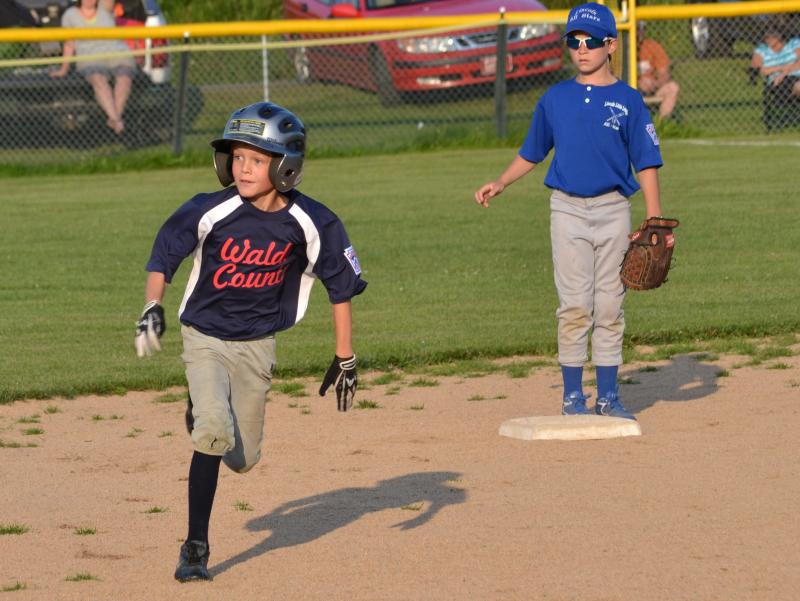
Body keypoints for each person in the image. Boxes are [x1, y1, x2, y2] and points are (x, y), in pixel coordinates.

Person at [134, 101, 367, 582]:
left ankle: (203, 409)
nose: (242, 167)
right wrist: (152, 307)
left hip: (257, 346)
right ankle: (195, 547)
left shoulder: (312, 222)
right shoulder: (210, 209)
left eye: (256, 159)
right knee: (214, 430)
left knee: (242, 458)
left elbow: (339, 287)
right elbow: (164, 257)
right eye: (237, 156)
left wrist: (345, 357)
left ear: (286, 167)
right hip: (204, 336)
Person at [474, 2, 664, 421]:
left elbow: (646, 160)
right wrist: (502, 181)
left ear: (610, 44)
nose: (582, 49)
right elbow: (533, 152)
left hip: (614, 209)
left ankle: (609, 396)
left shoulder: (629, 101)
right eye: (574, 41)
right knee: (575, 304)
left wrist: (653, 217)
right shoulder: (555, 98)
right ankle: (573, 395)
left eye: (591, 41)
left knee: (611, 305)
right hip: (567, 211)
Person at [51, 0, 136, 135]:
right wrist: (64, 69)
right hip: (90, 56)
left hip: (115, 52)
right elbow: (69, 44)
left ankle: (115, 118)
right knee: (98, 79)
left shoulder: (105, 9)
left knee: (124, 77)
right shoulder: (70, 15)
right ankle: (117, 121)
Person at [637, 20, 680, 121]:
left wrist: (654, 84)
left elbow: (664, 74)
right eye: (637, 29)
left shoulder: (652, 46)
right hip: (628, 90)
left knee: (673, 87)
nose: (639, 33)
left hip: (651, 90)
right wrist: (637, 83)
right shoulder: (619, 49)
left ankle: (661, 125)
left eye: (642, 29)